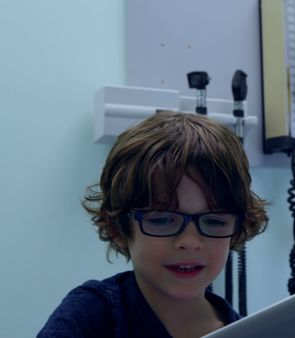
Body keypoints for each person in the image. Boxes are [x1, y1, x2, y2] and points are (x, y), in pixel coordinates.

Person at [38, 111, 268, 338]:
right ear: (118, 227)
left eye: (215, 221)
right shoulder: (93, 315)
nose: (190, 242)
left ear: (237, 227)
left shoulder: (245, 331)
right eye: (162, 219)